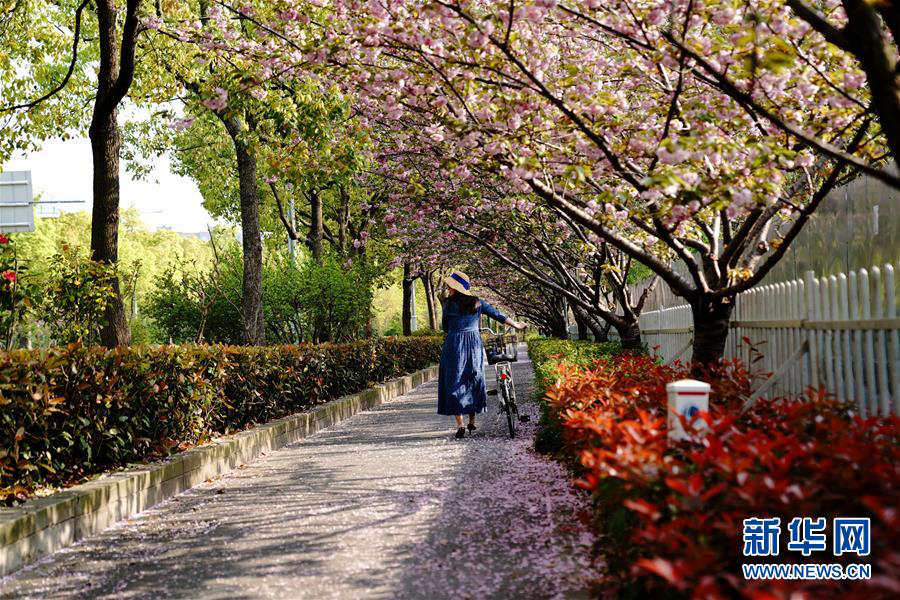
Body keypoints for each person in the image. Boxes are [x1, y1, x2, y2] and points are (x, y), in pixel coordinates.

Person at [438, 271, 526, 439]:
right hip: (473, 343)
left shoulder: (448, 304)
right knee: (473, 377)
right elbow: (498, 315)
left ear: (455, 288)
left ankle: (460, 425)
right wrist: (516, 325)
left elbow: (445, 327)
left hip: (454, 343)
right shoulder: (477, 302)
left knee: (453, 379)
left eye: (450, 286)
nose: (448, 288)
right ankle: (472, 421)